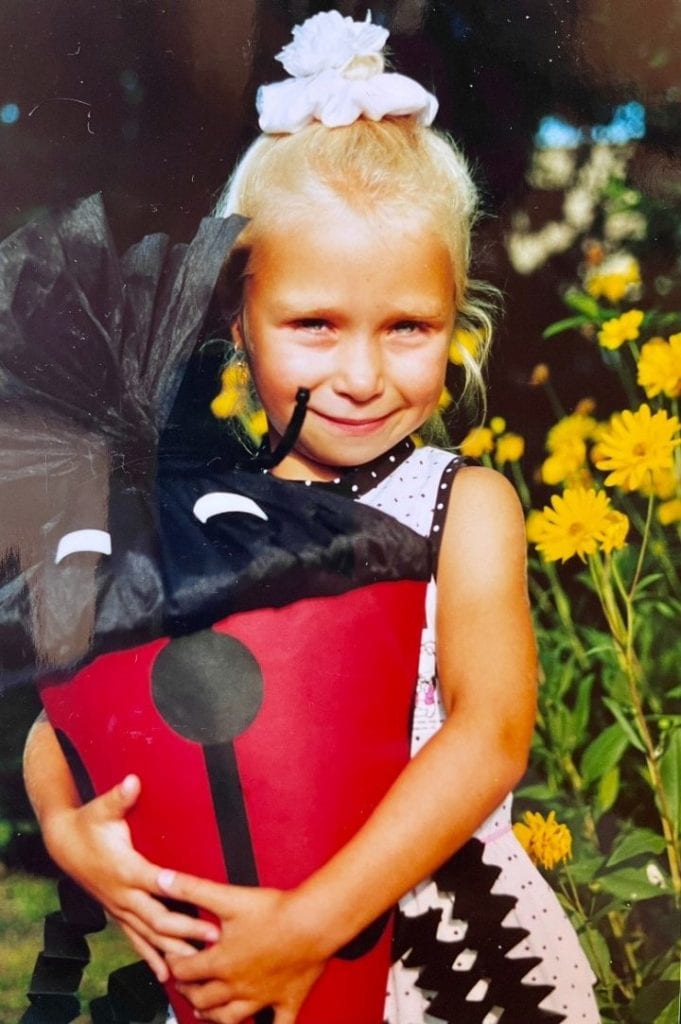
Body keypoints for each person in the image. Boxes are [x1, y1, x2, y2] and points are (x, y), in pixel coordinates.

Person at [22, 11, 600, 1024]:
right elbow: (67, 696)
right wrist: (70, 829)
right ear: (241, 320)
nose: (363, 374)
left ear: (457, 320)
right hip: (238, 948)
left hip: (454, 953)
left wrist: (308, 928)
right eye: (316, 325)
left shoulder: (463, 506)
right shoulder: (194, 513)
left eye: (408, 326)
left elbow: (489, 734)